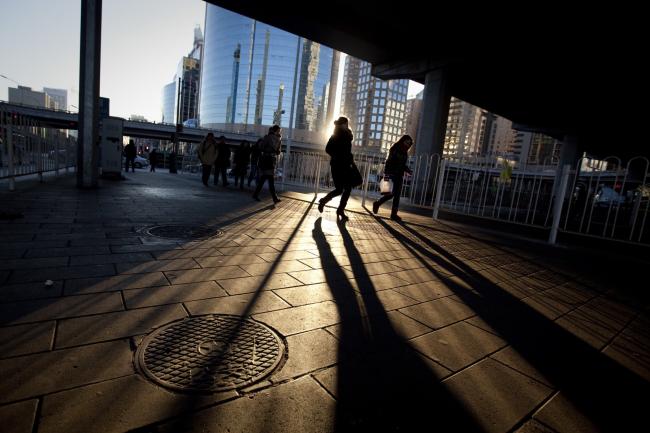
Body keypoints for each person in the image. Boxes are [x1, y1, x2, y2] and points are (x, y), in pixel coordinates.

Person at [318, 116, 354, 221]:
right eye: (344, 124)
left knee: (347, 189)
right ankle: (325, 201)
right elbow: (328, 149)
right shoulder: (335, 135)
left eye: (346, 124)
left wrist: (349, 158)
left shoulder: (348, 136)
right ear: (340, 124)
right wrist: (339, 156)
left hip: (346, 165)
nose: (346, 125)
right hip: (337, 165)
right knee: (340, 189)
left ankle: (340, 209)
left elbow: (347, 151)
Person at [372, 134, 413, 222]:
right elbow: (389, 161)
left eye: (409, 143)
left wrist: (407, 170)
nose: (407, 144)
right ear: (402, 140)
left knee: (397, 195)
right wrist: (386, 174)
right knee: (390, 194)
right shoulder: (395, 148)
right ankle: (377, 203)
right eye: (406, 141)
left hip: (399, 175)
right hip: (391, 174)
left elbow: (402, 164)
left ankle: (394, 214)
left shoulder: (405, 152)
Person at [253, 125, 282, 203]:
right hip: (269, 160)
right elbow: (278, 151)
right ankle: (274, 198)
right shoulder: (276, 139)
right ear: (276, 130)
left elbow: (261, 147)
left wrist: (268, 150)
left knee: (265, 178)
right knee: (270, 179)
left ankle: (256, 194)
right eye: (278, 131)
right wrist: (273, 150)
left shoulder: (269, 137)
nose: (279, 132)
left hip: (268, 159)